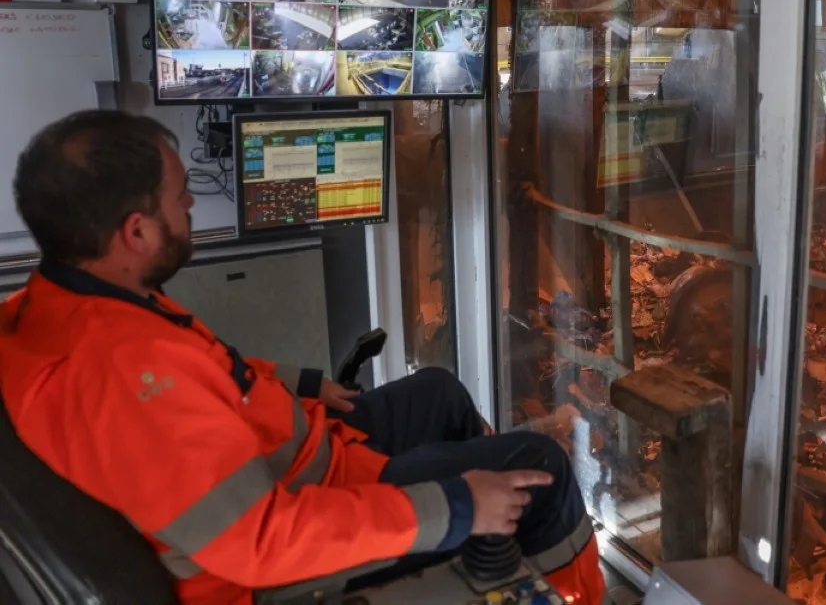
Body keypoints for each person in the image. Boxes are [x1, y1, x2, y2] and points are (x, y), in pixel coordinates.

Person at [0, 110, 604, 605]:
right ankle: (566, 587)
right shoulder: (124, 373)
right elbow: (258, 543)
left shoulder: (61, 303)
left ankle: (492, 538)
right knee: (538, 465)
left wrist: (307, 385)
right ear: (136, 233)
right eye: (182, 199)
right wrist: (455, 505)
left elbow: (213, 369)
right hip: (293, 548)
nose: (190, 210)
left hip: (302, 455)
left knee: (439, 390)